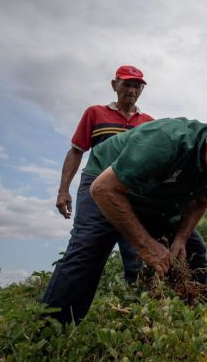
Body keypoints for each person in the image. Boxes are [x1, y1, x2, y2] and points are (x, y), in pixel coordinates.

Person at [42, 117, 207, 324]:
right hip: (106, 181)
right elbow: (103, 189)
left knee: (192, 250)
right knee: (88, 251)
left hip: (158, 195)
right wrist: (146, 245)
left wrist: (180, 238)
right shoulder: (165, 143)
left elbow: (199, 201)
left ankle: (196, 325)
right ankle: (49, 333)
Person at [56, 65, 154, 284]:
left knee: (137, 252)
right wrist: (63, 191)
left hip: (132, 191)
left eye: (137, 86)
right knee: (84, 248)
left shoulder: (148, 122)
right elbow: (76, 150)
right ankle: (55, 314)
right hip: (95, 186)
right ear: (114, 85)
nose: (132, 90)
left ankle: (141, 312)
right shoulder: (95, 113)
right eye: (127, 84)